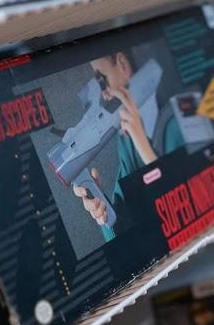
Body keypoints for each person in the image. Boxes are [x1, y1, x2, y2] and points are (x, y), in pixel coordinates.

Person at [74, 51, 185, 241]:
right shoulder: (126, 142)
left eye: (102, 81)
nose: (104, 94)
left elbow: (191, 208)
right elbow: (120, 237)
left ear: (123, 65)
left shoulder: (179, 116)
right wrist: (102, 210)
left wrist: (143, 144)